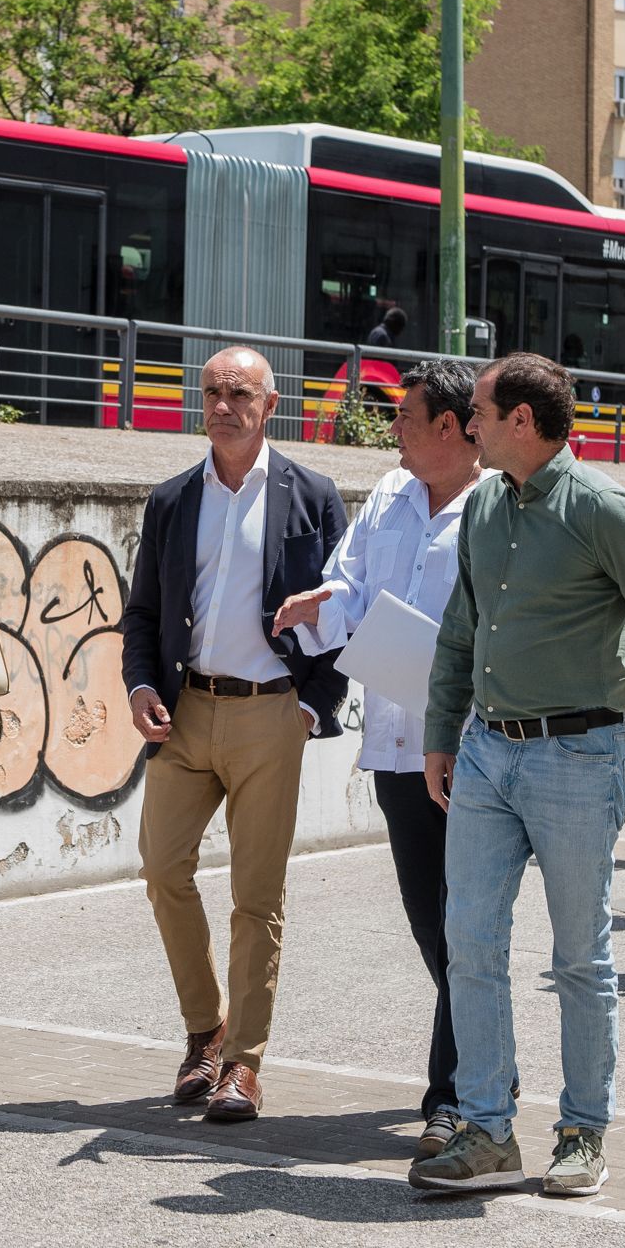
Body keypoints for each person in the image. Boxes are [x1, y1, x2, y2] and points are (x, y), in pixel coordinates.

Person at [408, 353, 625, 1199]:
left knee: (579, 955)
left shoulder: (603, 507)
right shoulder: (485, 505)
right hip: (488, 751)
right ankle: (487, 1129)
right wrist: (439, 733)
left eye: (483, 412)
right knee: (470, 940)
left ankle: (582, 1130)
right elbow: (460, 630)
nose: (470, 424)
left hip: (578, 754)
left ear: (522, 423)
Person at [124, 347, 348, 1127]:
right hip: (184, 712)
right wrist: (141, 683)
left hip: (269, 713)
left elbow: (342, 609)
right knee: (161, 868)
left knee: (256, 898)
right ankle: (203, 1030)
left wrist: (312, 707)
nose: (222, 405)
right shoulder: (172, 498)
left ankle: (243, 1063)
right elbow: (143, 612)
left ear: (269, 403)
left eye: (239, 393)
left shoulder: (311, 495)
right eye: (212, 391)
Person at [272, 359, 478, 1156]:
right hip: (395, 741)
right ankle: (484, 1053)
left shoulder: (497, 507)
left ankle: (454, 1094)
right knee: (430, 921)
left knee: (465, 923)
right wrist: (318, 606)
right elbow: (349, 584)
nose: (390, 426)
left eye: (405, 414)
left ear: (452, 429)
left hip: (471, 745)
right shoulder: (388, 497)